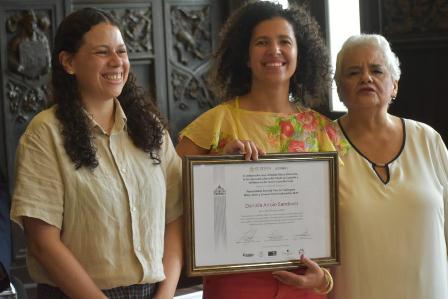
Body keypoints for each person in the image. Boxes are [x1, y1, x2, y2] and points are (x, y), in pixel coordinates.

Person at [10, 8, 183, 299]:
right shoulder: (45, 133)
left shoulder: (151, 129)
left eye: (122, 51)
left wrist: (165, 295)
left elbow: (175, 219)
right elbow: (43, 242)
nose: (117, 62)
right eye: (103, 52)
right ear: (68, 62)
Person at [176, 2, 335, 298]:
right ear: (246, 56)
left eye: (284, 42)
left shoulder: (324, 131)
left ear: (300, 53)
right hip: (235, 285)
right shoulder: (213, 124)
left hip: (307, 285)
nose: (274, 50)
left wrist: (325, 279)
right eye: (262, 42)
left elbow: (343, 218)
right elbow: (169, 199)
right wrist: (215, 166)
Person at [328, 34, 448, 299]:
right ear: (339, 88)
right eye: (353, 72)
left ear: (394, 85)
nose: (366, 78)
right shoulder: (321, 145)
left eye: (377, 70)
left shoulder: (428, 140)